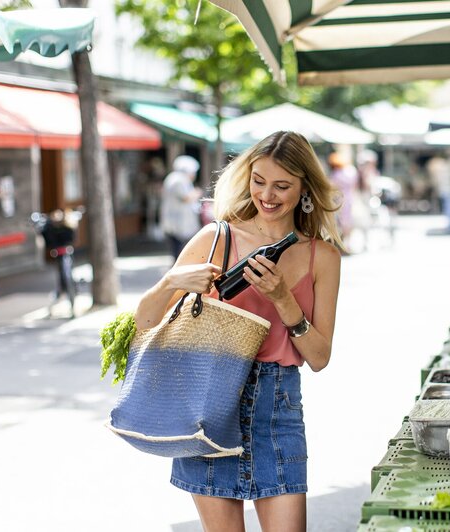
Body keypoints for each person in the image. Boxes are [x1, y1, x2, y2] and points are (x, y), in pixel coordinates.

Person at [133, 131, 343, 531]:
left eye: (282, 185)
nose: (268, 194)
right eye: (259, 180)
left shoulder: (323, 256)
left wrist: (284, 299)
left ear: (304, 189)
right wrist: (171, 283)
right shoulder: (216, 238)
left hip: (277, 408)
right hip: (209, 402)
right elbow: (144, 322)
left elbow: (319, 357)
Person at [36, 208, 80, 318]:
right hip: (59, 257)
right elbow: (48, 239)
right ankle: (58, 305)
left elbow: (71, 236)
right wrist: (45, 226)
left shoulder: (68, 227)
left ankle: (72, 305)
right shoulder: (50, 228)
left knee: (68, 279)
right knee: (62, 282)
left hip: (67, 256)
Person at [160, 155, 203, 262]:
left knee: (178, 250)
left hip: (176, 222)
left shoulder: (174, 178)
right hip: (176, 223)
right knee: (179, 251)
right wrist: (197, 193)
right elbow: (185, 198)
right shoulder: (178, 180)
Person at [328, 151, 358, 249]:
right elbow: (355, 186)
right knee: (348, 221)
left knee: (341, 222)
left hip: (339, 198)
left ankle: (343, 243)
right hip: (350, 197)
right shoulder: (351, 171)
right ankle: (347, 243)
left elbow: (332, 186)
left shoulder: (337, 173)